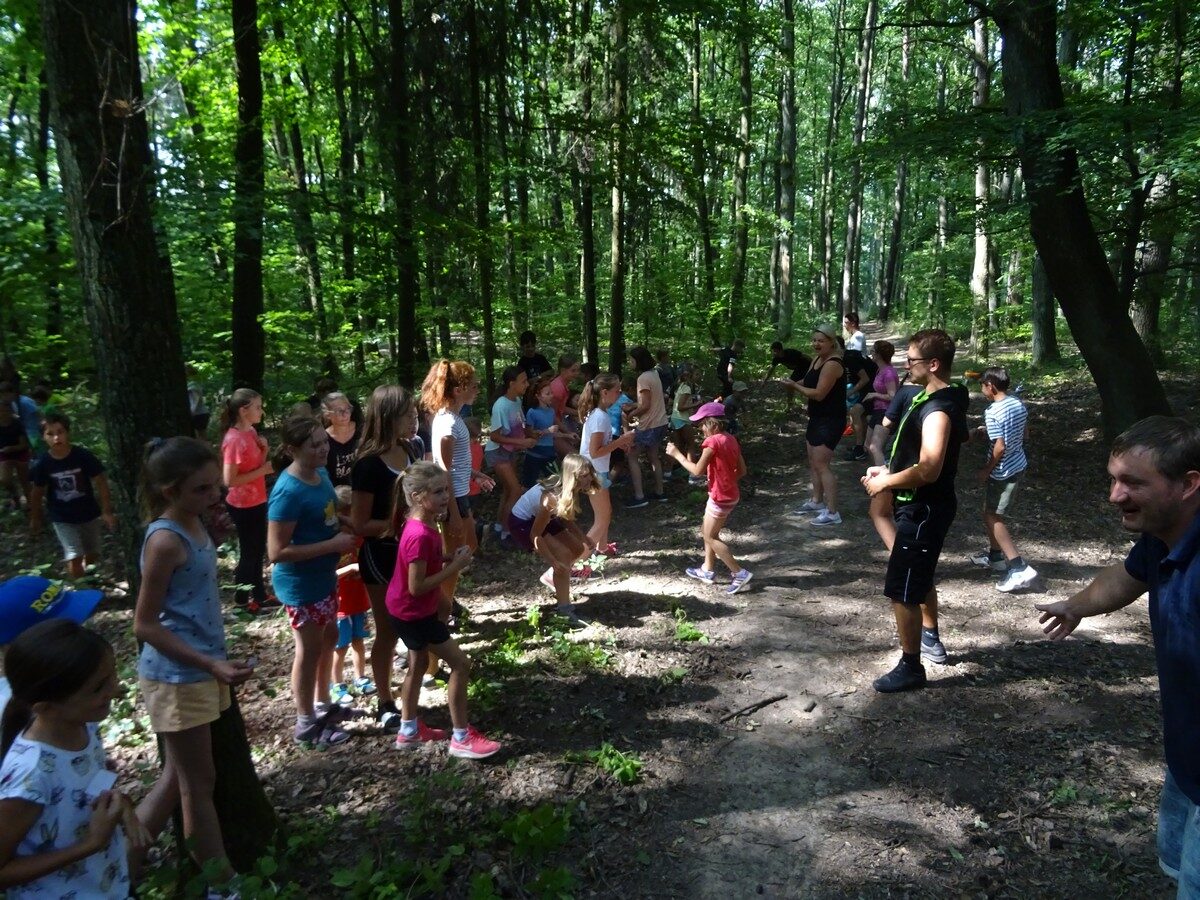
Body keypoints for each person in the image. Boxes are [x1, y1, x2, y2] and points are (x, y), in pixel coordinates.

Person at [1034, 416, 1200, 898]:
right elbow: (1127, 577)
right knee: (1178, 867)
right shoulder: (1163, 537)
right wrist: (1075, 606)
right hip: (1187, 757)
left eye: (1132, 483)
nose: (1114, 495)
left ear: (1188, 484)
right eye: (1113, 479)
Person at [132, 436, 253, 889]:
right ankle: (222, 884)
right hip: (178, 675)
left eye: (215, 485)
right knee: (197, 786)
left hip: (199, 669)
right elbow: (145, 624)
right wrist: (209, 664)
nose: (215, 495)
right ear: (170, 492)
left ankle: (117, 867)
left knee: (176, 779)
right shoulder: (165, 539)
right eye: (202, 489)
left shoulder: (195, 523)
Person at [0, 621, 150, 899]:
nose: (114, 688)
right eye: (98, 688)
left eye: (112, 674)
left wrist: (121, 804)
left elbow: (86, 785)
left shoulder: (84, 724)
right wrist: (91, 844)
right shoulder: (29, 774)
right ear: (47, 707)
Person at [861, 329, 968, 692]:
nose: (906, 365)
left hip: (924, 509)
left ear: (933, 364)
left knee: (904, 589)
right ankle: (928, 640)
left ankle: (911, 667)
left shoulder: (937, 410)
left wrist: (886, 483)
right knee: (914, 577)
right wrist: (887, 470)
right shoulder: (937, 396)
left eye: (911, 360)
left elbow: (929, 469)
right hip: (918, 504)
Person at [387, 462, 501, 759]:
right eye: (438, 492)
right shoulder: (419, 534)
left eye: (447, 490)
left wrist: (448, 557)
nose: (446, 497)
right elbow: (416, 586)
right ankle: (461, 738)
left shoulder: (420, 524)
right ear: (417, 496)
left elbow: (423, 564)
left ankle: (408, 730)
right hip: (414, 612)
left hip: (404, 609)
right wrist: (455, 566)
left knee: (418, 664)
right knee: (460, 664)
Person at [267, 416, 357, 747]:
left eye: (324, 442)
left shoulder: (320, 474)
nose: (323, 449)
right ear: (292, 450)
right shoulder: (287, 492)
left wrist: (343, 520)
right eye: (314, 444)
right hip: (301, 584)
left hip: (324, 576)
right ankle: (306, 723)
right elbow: (277, 551)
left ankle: (323, 704)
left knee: (329, 637)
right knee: (308, 651)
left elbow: (324, 511)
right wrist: (332, 545)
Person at [350, 385, 425, 732]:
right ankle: (385, 701)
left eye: (415, 414)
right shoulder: (368, 464)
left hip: (413, 553)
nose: (414, 420)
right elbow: (360, 524)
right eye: (407, 415)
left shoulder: (410, 450)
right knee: (388, 631)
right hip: (381, 558)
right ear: (387, 417)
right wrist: (401, 526)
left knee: (424, 620)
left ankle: (413, 692)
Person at [423, 362, 493, 619]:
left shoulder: (453, 419)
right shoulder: (448, 425)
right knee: (455, 560)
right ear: (458, 389)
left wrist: (475, 474)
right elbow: (444, 470)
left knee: (469, 545)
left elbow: (455, 464)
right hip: (453, 499)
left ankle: (444, 603)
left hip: (460, 495)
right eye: (473, 385)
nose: (477, 390)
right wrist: (452, 512)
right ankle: (442, 614)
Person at [666, 401, 753, 595]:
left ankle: (739, 573)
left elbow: (697, 471)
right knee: (706, 530)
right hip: (729, 494)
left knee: (710, 536)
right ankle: (707, 569)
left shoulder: (712, 442)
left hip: (720, 497)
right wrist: (726, 481)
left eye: (702, 425)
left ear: (713, 424)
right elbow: (742, 470)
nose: (700, 429)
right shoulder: (731, 439)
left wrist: (677, 455)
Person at [511, 454, 598, 626]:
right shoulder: (551, 498)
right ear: (572, 477)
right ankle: (564, 610)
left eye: (590, 474)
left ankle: (555, 576)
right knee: (563, 555)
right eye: (584, 476)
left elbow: (565, 516)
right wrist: (552, 560)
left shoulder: (567, 490)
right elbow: (535, 534)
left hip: (542, 519)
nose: (589, 479)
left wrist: (583, 537)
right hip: (522, 523)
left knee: (577, 549)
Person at [970, 367, 1036, 592]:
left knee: (993, 517)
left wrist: (986, 470)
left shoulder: (992, 411)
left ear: (990, 386)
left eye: (982, 385)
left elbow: (1000, 447)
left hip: (1002, 471)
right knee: (989, 511)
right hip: (1018, 464)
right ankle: (996, 557)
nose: (982, 390)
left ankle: (1018, 567)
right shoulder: (1017, 403)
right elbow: (1025, 433)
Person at [28, 413, 115, 579]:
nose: (56, 438)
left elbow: (100, 481)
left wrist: (107, 511)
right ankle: (80, 587)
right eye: (50, 434)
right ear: (43, 437)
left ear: (67, 433)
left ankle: (89, 578)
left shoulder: (82, 456)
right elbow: (37, 492)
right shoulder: (43, 464)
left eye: (60, 432)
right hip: (62, 516)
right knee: (74, 555)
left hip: (88, 512)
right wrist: (35, 518)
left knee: (93, 552)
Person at [219, 389, 275, 612]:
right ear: (244, 410)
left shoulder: (251, 431)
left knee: (258, 550)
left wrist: (265, 450)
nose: (261, 412)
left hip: (257, 499)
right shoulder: (233, 440)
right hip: (242, 505)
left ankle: (260, 596)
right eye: (258, 407)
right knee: (249, 553)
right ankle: (241, 601)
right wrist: (263, 470)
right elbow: (229, 480)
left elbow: (256, 467)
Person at [789, 325, 846, 526]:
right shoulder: (817, 359)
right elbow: (809, 380)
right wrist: (793, 382)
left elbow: (819, 394)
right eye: (814, 340)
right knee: (813, 462)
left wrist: (794, 387)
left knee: (822, 465)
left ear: (831, 342)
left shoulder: (833, 364)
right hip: (816, 417)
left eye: (821, 341)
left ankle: (832, 512)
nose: (816, 344)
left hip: (830, 420)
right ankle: (817, 501)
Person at [578, 374, 636, 556]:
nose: (620, 394)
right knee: (602, 519)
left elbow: (600, 446)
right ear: (604, 392)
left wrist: (619, 443)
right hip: (593, 472)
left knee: (604, 513)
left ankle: (602, 547)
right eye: (617, 391)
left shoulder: (598, 414)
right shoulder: (600, 417)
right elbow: (595, 451)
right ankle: (576, 560)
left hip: (595, 470)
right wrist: (621, 441)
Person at [331, 485, 373, 705]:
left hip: (358, 600)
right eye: (346, 513)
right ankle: (336, 685)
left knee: (358, 641)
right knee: (340, 647)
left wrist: (362, 570)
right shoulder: (332, 543)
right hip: (340, 605)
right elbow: (329, 574)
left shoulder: (360, 538)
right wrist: (350, 569)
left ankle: (360, 678)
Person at [623, 345, 670, 508]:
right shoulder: (654, 374)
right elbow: (651, 400)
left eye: (632, 360)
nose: (630, 362)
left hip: (649, 425)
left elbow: (645, 406)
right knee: (653, 456)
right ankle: (660, 492)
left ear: (639, 361)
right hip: (661, 422)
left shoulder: (643, 378)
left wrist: (630, 414)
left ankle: (639, 496)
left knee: (632, 456)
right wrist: (633, 405)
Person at [862, 341, 901, 466]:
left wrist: (874, 395)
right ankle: (877, 470)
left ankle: (884, 475)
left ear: (879, 354)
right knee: (867, 445)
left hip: (886, 412)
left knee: (875, 447)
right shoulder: (880, 370)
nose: (871, 354)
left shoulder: (888, 372)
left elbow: (893, 396)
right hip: (877, 410)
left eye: (873, 351)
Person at [842, 345, 879, 462]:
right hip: (869, 388)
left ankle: (860, 450)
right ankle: (863, 446)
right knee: (861, 416)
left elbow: (865, 378)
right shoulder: (850, 354)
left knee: (855, 412)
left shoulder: (849, 358)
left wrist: (851, 392)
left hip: (872, 389)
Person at [522, 374, 558, 487]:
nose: (551, 395)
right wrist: (547, 431)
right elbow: (529, 433)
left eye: (551, 393)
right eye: (547, 394)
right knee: (529, 484)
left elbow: (553, 433)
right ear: (538, 396)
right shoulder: (532, 412)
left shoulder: (551, 411)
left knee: (555, 482)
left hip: (549, 453)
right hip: (534, 454)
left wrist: (568, 435)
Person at [669, 363, 701, 483]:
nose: (698, 376)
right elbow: (681, 407)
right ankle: (693, 475)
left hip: (675, 418)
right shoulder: (687, 388)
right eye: (696, 374)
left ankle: (670, 472)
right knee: (691, 445)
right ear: (689, 375)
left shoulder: (681, 386)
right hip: (682, 418)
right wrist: (696, 404)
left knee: (679, 445)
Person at [765, 342, 813, 410]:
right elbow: (771, 369)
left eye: (775, 351)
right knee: (789, 385)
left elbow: (805, 356)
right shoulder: (776, 358)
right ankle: (789, 404)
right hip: (798, 370)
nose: (774, 353)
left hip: (808, 367)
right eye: (773, 351)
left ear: (780, 350)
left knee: (810, 384)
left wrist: (815, 365)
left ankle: (811, 404)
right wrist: (765, 380)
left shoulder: (791, 352)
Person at [0, 399, 30, 509]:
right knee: (5, 479)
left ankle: (31, 504)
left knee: (24, 481)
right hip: (4, 454)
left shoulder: (17, 424)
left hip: (20, 452)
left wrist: (12, 448)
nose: (3, 413)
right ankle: (15, 496)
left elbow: (24, 445)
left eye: (5, 410)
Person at [185, 366, 210, 438]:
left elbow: (196, 400)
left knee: (201, 437)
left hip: (199, 414)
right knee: (200, 436)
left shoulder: (193, 385)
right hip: (199, 413)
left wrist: (191, 413)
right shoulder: (193, 384)